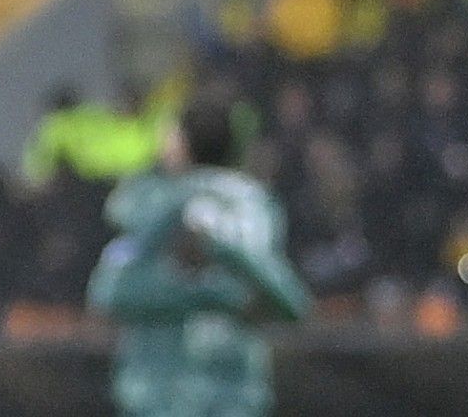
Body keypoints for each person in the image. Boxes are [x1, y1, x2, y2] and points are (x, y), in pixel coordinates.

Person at [87, 87, 312, 417]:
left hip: (159, 396)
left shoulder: (148, 202)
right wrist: (224, 297)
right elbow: (289, 301)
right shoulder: (255, 205)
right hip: (235, 396)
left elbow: (108, 293)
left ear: (181, 143)